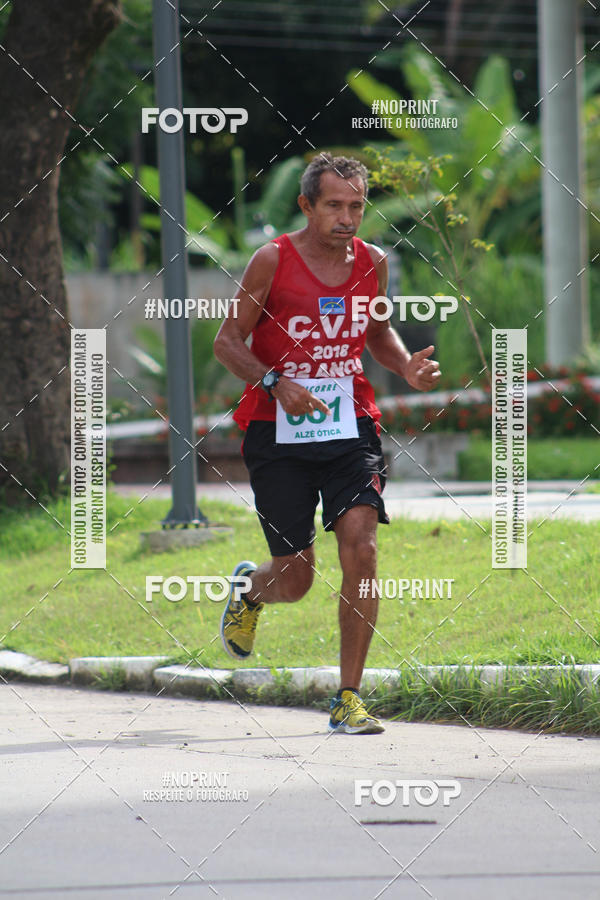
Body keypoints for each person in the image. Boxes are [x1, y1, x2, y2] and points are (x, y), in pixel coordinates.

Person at [213, 152, 440, 734]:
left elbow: (378, 328)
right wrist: (274, 381)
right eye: (334, 205)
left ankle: (348, 698)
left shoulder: (373, 262)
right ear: (306, 205)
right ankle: (250, 589)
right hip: (275, 430)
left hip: (351, 425)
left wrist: (404, 368)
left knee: (361, 548)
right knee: (296, 579)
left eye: (356, 205)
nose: (347, 217)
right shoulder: (272, 261)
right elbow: (228, 341)